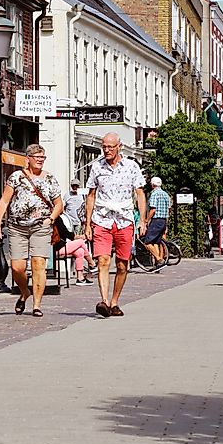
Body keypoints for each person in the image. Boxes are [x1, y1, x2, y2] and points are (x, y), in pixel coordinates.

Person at [0, 143, 62, 318]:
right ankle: (25, 292)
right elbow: (4, 201)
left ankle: (37, 305)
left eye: (42, 158)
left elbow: (59, 204)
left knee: (39, 264)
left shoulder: (50, 179)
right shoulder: (16, 177)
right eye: (37, 157)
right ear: (28, 159)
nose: (40, 161)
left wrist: (51, 219)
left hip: (41, 226)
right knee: (17, 267)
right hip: (17, 226)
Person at [84, 133, 147, 318]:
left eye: (111, 147)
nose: (107, 150)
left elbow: (140, 194)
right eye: (104, 146)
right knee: (103, 261)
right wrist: (87, 224)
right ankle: (103, 301)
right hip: (102, 219)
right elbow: (91, 196)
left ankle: (114, 301)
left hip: (124, 220)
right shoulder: (97, 166)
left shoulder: (131, 166)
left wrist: (141, 220)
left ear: (119, 146)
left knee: (122, 265)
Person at [143, 176, 171, 265]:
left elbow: (153, 209)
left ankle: (159, 259)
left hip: (156, 220)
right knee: (157, 242)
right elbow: (169, 209)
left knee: (147, 242)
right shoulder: (166, 194)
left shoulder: (154, 194)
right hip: (163, 220)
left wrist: (146, 220)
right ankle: (158, 262)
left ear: (152, 184)